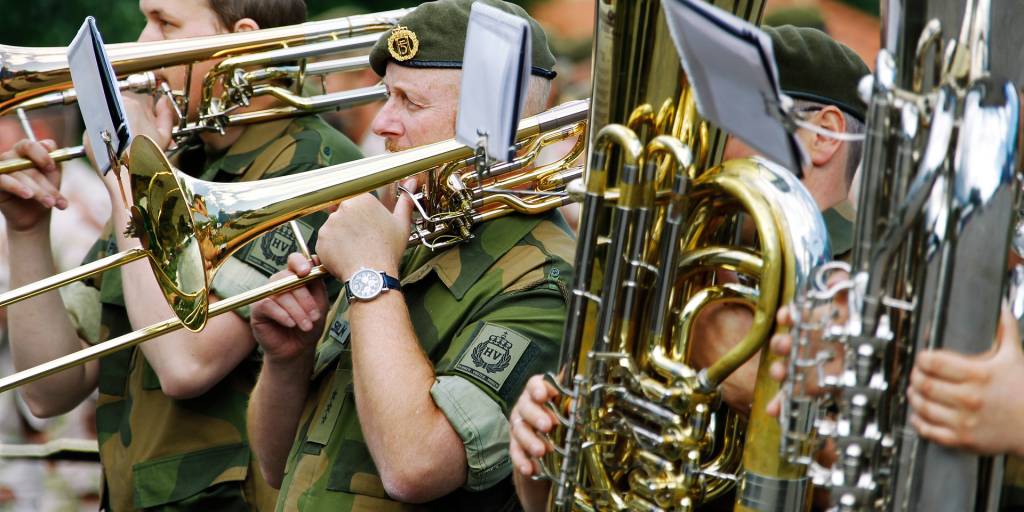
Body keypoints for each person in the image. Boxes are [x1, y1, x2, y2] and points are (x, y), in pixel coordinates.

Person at [0, 0, 363, 509]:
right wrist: (27, 229)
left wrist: (129, 174)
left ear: (243, 43)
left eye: (165, 23)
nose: (144, 45)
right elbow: (50, 388)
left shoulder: (314, 166)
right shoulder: (176, 156)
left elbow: (187, 365)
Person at [508, 25, 870, 511]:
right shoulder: (680, 270)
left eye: (725, 124)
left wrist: (740, 370)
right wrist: (541, 453)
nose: (701, 150)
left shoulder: (868, 292)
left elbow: (875, 481)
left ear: (822, 135)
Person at [245, 0, 574, 510]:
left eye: (409, 103)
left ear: (493, 126)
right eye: (385, 96)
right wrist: (286, 361)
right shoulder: (416, 233)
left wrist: (371, 276)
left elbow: (416, 466)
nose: (380, 123)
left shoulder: (545, 277)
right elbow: (275, 463)